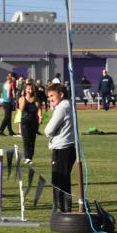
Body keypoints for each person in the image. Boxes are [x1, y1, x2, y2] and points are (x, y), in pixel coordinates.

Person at [44, 83, 76, 214]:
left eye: (52, 95)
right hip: (69, 148)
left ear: (61, 94)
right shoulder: (68, 105)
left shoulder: (62, 108)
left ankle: (62, 209)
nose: (50, 99)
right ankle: (64, 208)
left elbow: (48, 130)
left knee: (59, 180)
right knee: (64, 180)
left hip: (62, 148)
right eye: (49, 96)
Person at [17, 81, 44, 165]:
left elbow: (39, 109)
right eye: (28, 89)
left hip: (34, 121)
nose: (30, 90)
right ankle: (27, 157)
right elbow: (21, 109)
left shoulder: (36, 99)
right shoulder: (21, 99)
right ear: (25, 90)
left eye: (31, 89)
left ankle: (30, 157)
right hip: (25, 121)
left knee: (32, 140)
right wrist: (24, 97)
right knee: (26, 139)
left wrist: (40, 117)